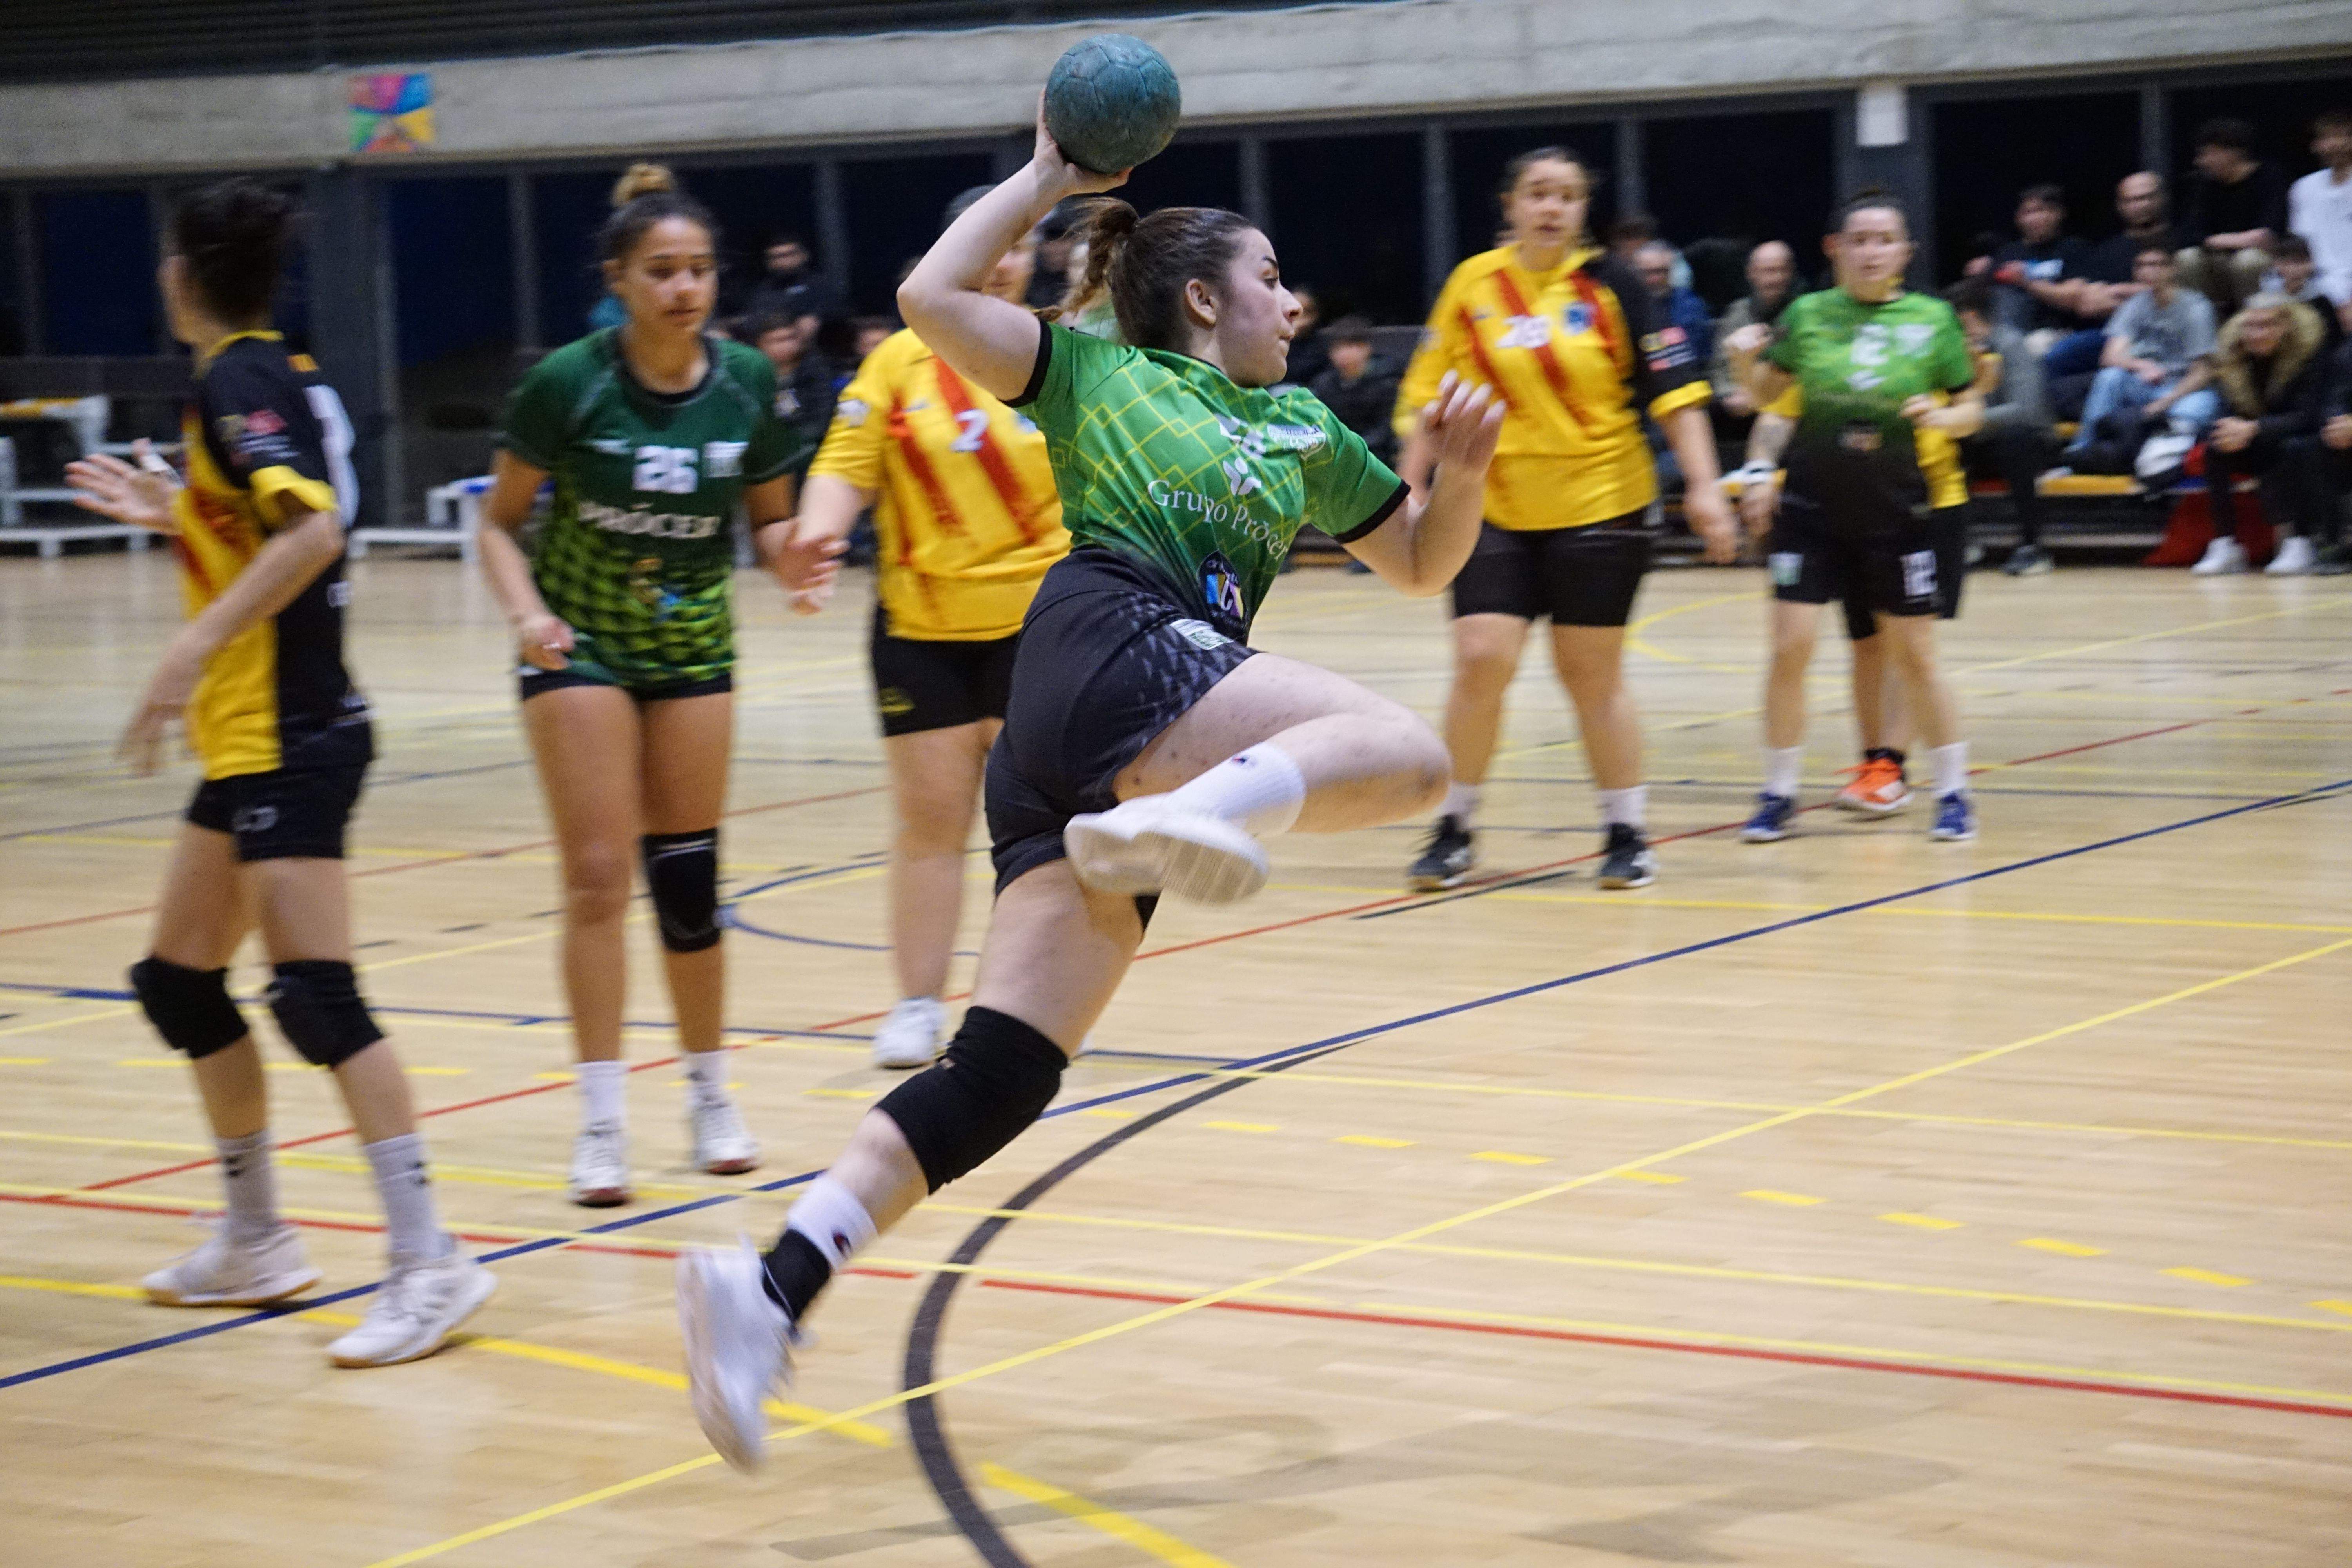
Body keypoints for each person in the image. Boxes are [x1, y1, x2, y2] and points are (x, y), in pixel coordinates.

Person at [675, 109, 1505, 1472]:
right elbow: (928, 299)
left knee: (1003, 1074)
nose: (1295, 304)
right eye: (1271, 279)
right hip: (1110, 639)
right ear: (1200, 297)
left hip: (1106, 729)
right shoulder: (1097, 370)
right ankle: (1205, 816)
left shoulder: (1299, 424)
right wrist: (1049, 179)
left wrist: (1458, 482)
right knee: (1411, 755)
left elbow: (1420, 562)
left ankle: (767, 1290)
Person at [63, 179, 494, 1365]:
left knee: (314, 996)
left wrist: (191, 640)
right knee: (180, 982)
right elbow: (276, 518)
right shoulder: (279, 372)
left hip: (292, 732)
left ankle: (431, 1259)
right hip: (254, 737)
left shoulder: (236, 379)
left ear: (182, 272)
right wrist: (181, 515)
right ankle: (257, 1235)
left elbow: (311, 532)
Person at [477, 168, 829, 1207]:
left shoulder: (746, 386)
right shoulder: (568, 383)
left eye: (700, 270)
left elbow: (765, 521)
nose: (686, 288)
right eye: (662, 272)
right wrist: (525, 616)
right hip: (577, 646)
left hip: (692, 653)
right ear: (619, 282)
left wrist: (793, 555)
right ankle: (600, 1117)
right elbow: (497, 523)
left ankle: (710, 1093)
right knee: (596, 878)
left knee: (686, 882)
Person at [1394, 147, 1736, 893]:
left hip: (1601, 504)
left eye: (1569, 196)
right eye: (1538, 194)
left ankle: (1625, 831)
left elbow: (1676, 395)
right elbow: (1429, 396)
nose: (1552, 207)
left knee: (1590, 673)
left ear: (1584, 211)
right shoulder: (1473, 284)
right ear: (1510, 206)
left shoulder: (1615, 285)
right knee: (1482, 656)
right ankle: (1454, 826)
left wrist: (1706, 488)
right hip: (1490, 507)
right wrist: (1407, 489)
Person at [787, 187, 1071, 1069]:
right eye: (989, 241)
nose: (1004, 258)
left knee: (1045, 828)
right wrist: (818, 532)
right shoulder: (896, 366)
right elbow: (843, 465)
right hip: (923, 628)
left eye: (1022, 242)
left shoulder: (1072, 354)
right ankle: (916, 1004)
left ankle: (1030, 1005)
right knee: (931, 822)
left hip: (1047, 625)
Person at [1723, 191, 1985, 845]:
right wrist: (1740, 363)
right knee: (1791, 648)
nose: (1871, 251)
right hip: (1811, 509)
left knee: (1916, 657)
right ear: (1838, 249)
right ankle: (1778, 792)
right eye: (1859, 239)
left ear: (1905, 251)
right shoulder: (1809, 314)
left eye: (1884, 239)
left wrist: (1943, 417)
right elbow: (1771, 400)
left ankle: (1954, 791)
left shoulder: (1934, 320)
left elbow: (1971, 408)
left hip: (1901, 511)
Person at [2193, 293, 2330, 577]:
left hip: (2302, 441)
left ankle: (2300, 541)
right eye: (2251, 326)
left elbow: (2309, 418)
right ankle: (2226, 543)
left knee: (2294, 447)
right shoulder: (2232, 356)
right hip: (2253, 440)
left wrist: (2254, 429)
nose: (2257, 334)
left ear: (2285, 327)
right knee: (2215, 448)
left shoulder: (2310, 355)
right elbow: (2221, 411)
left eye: (2266, 326)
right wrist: (2227, 430)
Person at [2066, 243, 2218, 461]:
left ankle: (2158, 465)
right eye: (2143, 266)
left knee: (2198, 408)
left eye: (2157, 265)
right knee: (2110, 377)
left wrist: (2160, 405)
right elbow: (2110, 357)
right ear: (2136, 273)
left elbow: (2203, 372)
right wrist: (2142, 365)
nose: (2150, 271)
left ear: (2173, 269)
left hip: (2184, 389)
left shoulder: (2196, 307)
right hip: (2146, 385)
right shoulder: (2133, 306)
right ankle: (2080, 450)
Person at [2178, 119, 2289, 313]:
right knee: (2187, 258)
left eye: (2207, 154)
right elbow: (2189, 234)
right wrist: (2231, 241)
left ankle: (2255, 323)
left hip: (2264, 261)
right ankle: (2206, 327)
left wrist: (2213, 240)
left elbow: (2268, 235)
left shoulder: (2270, 177)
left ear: (2233, 152)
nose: (2201, 162)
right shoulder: (2205, 185)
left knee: (2248, 261)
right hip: (2220, 260)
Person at [744, 311, 837, 488]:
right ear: (760, 344)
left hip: (810, 457)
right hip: (763, 461)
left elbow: (821, 421)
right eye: (777, 341)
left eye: (790, 339)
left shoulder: (815, 371)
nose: (785, 346)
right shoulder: (751, 376)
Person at [1990, 185, 2092, 343]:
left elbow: (2074, 297)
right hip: (2010, 331)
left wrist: (2025, 281)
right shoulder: (2008, 253)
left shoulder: (2074, 248)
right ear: (2018, 218)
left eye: (2043, 210)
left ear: (2059, 214)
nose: (2036, 218)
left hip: (2057, 332)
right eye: (2029, 212)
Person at [1711, 240, 1800, 419]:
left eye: (1782, 270)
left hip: (1789, 406)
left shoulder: (1803, 311)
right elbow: (1719, 368)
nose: (1776, 279)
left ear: (1791, 272)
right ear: (1751, 273)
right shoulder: (1737, 312)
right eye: (1768, 271)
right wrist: (1729, 394)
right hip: (1742, 409)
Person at [2288, 110, 2352, 334]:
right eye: (2324, 138)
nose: (2332, 144)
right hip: (2315, 283)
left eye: (2339, 136)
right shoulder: (2303, 188)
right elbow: (2301, 245)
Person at [1308, 315, 1404, 465]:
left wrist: (1354, 448)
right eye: (1338, 348)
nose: (1344, 354)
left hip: (1378, 456)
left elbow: (1387, 429)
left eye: (1352, 346)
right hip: (1338, 453)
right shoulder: (1324, 385)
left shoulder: (1389, 381)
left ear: (1367, 348)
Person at [740, 232, 847, 335]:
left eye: (789, 255)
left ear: (804, 256)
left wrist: (817, 318)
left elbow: (839, 312)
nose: (784, 261)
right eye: (777, 257)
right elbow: (753, 319)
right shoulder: (764, 290)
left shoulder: (821, 285)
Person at [2306, 333, 2352, 574]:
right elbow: (2334, 398)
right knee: (2318, 445)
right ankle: (2336, 543)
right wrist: (2339, 424)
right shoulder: (2346, 351)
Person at [2266, 236, 2347, 354]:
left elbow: (2335, 336)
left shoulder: (2324, 295)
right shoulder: (2269, 292)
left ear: (2312, 263)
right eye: (2288, 263)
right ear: (2276, 264)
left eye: (2300, 262)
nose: (2295, 269)